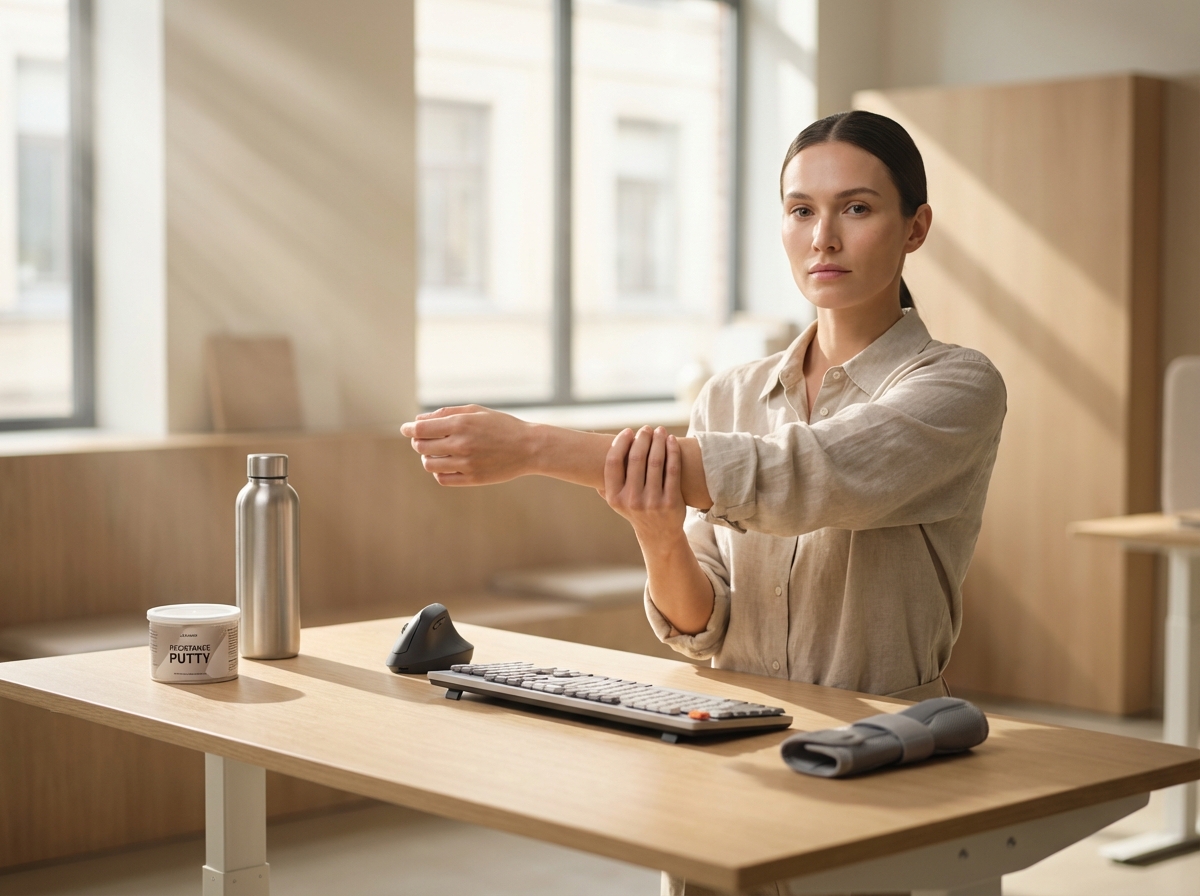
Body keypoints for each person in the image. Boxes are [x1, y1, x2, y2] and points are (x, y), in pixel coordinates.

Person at [401, 109, 1005, 714]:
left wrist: (533, 446)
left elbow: (798, 477)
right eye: (801, 211)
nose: (823, 236)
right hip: (737, 729)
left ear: (914, 227)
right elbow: (704, 626)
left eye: (856, 208)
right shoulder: (729, 394)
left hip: (887, 736)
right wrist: (657, 531)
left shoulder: (957, 385)